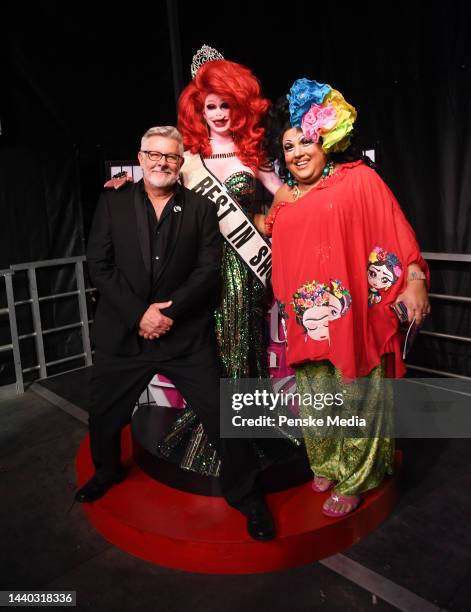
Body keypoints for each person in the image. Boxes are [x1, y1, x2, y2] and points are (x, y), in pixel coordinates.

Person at [76, 125, 277, 541]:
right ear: (140, 156)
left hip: (183, 335)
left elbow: (208, 271)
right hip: (125, 334)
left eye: (170, 156)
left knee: (223, 416)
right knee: (104, 413)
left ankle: (247, 497)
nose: (161, 163)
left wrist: (168, 313)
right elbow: (100, 265)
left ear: (180, 161)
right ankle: (107, 470)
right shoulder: (113, 202)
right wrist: (139, 315)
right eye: (154, 155)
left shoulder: (203, 209)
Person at [265, 79, 431, 517]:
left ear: (326, 143)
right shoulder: (284, 197)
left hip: (355, 315)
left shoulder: (360, 180)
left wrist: (414, 279)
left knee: (356, 395)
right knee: (317, 398)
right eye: (288, 146)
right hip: (307, 318)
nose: (297, 152)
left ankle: (358, 475)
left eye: (306, 141)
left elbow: (398, 233)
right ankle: (327, 462)